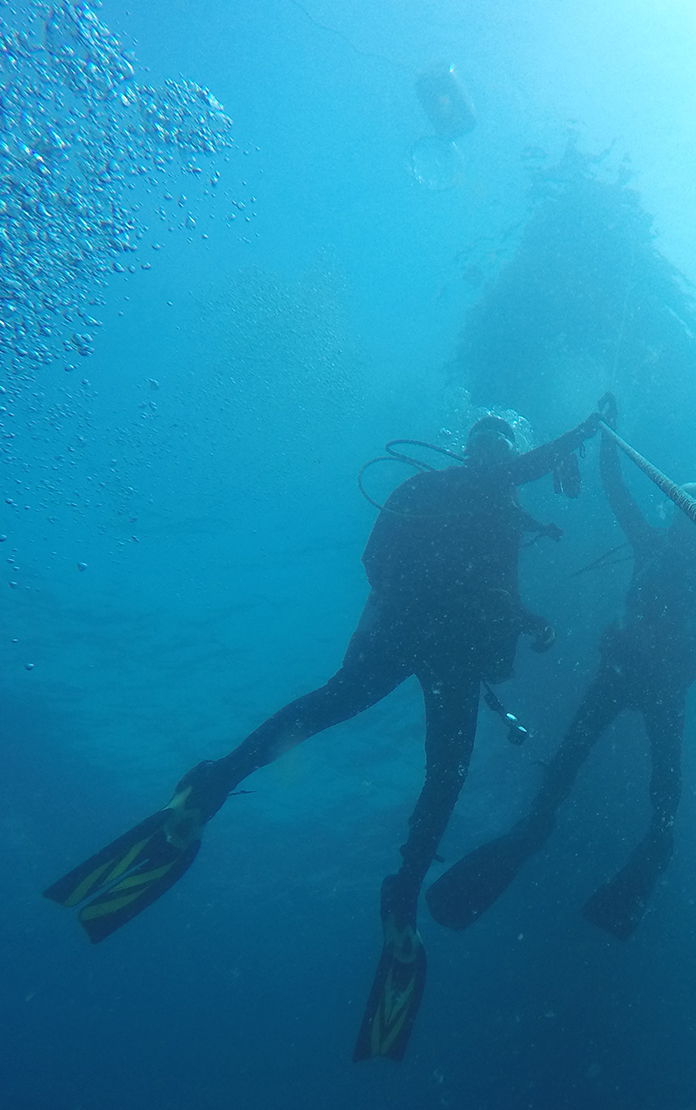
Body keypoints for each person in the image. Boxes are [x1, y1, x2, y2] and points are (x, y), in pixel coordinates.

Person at [44, 406, 607, 1061]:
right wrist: (587, 429)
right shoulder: (474, 489)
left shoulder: (447, 495)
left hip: (410, 633)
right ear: (482, 451)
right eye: (493, 448)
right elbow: (486, 525)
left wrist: (523, 619)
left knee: (333, 713)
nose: (494, 458)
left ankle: (215, 786)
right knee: (437, 766)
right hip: (438, 644)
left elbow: (405, 567)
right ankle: (400, 891)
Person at [426, 396, 696, 940]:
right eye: (683, 513)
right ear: (677, 514)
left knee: (636, 777)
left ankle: (603, 842)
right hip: (636, 679)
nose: (685, 524)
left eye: (695, 517)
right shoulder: (678, 554)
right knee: (602, 770)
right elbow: (619, 491)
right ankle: (565, 835)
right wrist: (605, 437)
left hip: (641, 681)